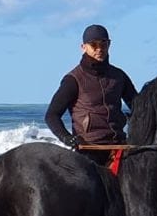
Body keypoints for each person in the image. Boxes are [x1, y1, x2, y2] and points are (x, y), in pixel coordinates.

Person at [45, 24, 136, 167]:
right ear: (83, 47)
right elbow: (51, 115)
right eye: (94, 45)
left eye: (104, 44)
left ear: (109, 44)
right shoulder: (73, 79)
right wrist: (67, 138)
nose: (99, 49)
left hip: (119, 146)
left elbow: (138, 107)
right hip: (89, 150)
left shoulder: (119, 76)